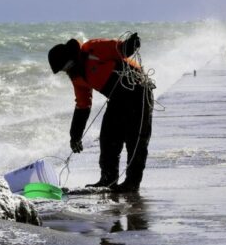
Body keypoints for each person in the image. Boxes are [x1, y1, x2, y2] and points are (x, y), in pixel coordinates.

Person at [48, 33, 154, 193]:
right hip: (116, 99)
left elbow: (119, 48)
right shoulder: (76, 77)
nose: (67, 71)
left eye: (66, 66)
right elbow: (82, 106)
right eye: (63, 70)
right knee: (108, 138)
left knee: (135, 140)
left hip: (138, 91)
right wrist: (75, 136)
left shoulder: (92, 48)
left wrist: (130, 44)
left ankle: (132, 183)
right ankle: (108, 180)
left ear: (71, 57)